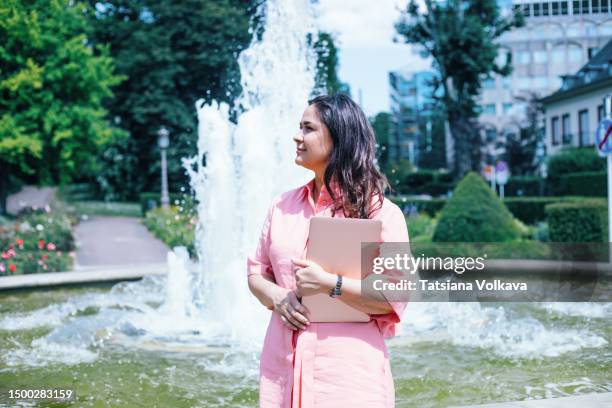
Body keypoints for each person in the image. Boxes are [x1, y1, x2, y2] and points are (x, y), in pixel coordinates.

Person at [246, 93, 409, 408]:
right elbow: (256, 273)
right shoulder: (281, 206)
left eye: (308, 128)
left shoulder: (381, 213)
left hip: (347, 379)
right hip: (283, 372)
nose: (297, 136)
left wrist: (330, 284)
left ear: (338, 138)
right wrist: (278, 297)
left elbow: (397, 294)